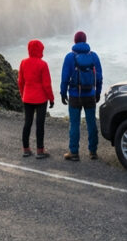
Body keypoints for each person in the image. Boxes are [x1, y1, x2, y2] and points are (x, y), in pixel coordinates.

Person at [60, 30, 103, 161]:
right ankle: (93, 152)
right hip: (90, 94)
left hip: (74, 95)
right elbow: (99, 77)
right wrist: (98, 92)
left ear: (75, 41)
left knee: (74, 124)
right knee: (91, 123)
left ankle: (74, 152)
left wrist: (63, 93)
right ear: (85, 40)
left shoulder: (69, 57)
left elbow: (65, 77)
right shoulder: (94, 56)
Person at [17, 39, 54, 159]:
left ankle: (26, 149)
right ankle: (40, 150)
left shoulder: (23, 63)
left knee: (27, 123)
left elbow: (21, 81)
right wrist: (51, 98)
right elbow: (46, 84)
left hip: (27, 98)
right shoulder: (43, 64)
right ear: (40, 50)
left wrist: (23, 94)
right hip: (41, 99)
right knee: (40, 124)